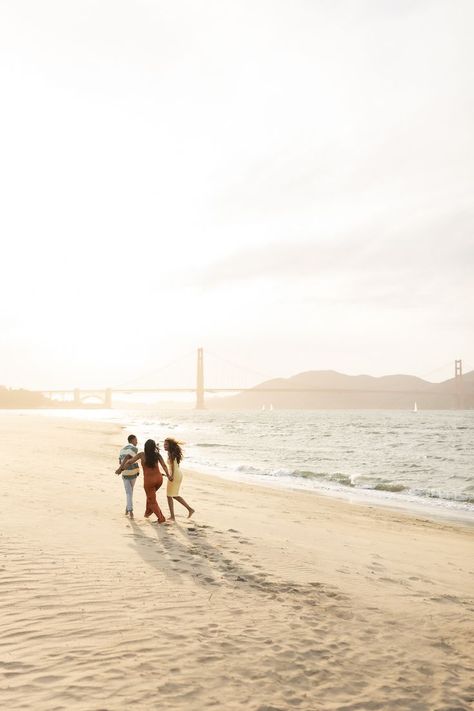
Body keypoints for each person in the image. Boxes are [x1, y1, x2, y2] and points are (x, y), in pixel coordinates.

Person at [116, 439, 169, 524]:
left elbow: (130, 462)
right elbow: (164, 465)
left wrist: (121, 469)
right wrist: (169, 476)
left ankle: (161, 518)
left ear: (145, 447)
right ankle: (148, 512)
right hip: (159, 479)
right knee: (151, 496)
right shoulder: (157, 455)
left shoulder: (141, 454)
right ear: (153, 447)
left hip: (149, 481)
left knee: (152, 500)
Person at [164, 438, 195, 520]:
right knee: (173, 495)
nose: (164, 446)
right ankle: (189, 509)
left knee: (169, 495)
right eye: (164, 444)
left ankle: (173, 516)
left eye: (166, 444)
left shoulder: (171, 453)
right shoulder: (173, 453)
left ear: (170, 445)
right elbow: (175, 465)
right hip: (178, 474)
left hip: (175, 475)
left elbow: (173, 466)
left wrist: (171, 476)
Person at [117, 434, 139, 518]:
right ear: (132, 440)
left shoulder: (122, 449)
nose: (137, 441)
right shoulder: (134, 448)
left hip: (125, 473)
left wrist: (121, 468)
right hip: (133, 472)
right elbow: (129, 457)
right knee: (130, 492)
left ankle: (127, 509)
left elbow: (120, 462)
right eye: (136, 440)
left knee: (129, 492)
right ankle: (130, 511)